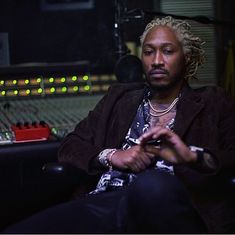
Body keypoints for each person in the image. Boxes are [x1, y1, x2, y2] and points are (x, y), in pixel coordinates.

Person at [3, 16, 235, 234]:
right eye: (148, 52)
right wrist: (113, 156)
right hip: (105, 203)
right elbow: (70, 146)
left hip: (172, 205)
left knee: (151, 184)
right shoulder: (119, 99)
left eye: (167, 51)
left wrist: (191, 156)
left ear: (186, 58)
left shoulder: (213, 101)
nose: (156, 61)